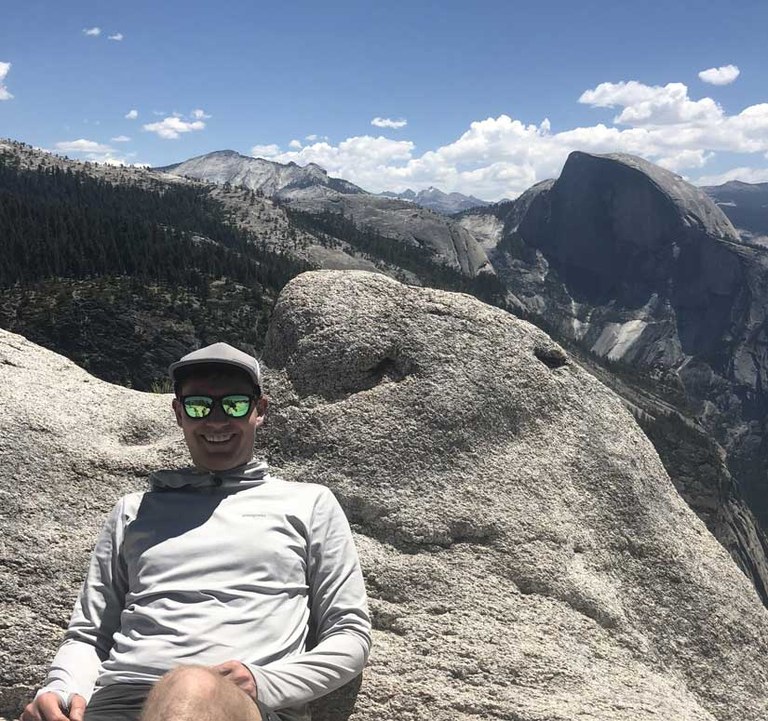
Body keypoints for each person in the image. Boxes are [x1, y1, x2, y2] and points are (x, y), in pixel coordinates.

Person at [22, 342, 371, 721]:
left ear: (261, 410)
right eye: (199, 406)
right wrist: (60, 688)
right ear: (178, 413)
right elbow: (89, 635)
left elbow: (350, 635)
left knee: (193, 686)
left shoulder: (310, 504)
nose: (216, 420)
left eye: (235, 404)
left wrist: (268, 682)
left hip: (239, 702)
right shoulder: (135, 511)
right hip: (118, 698)